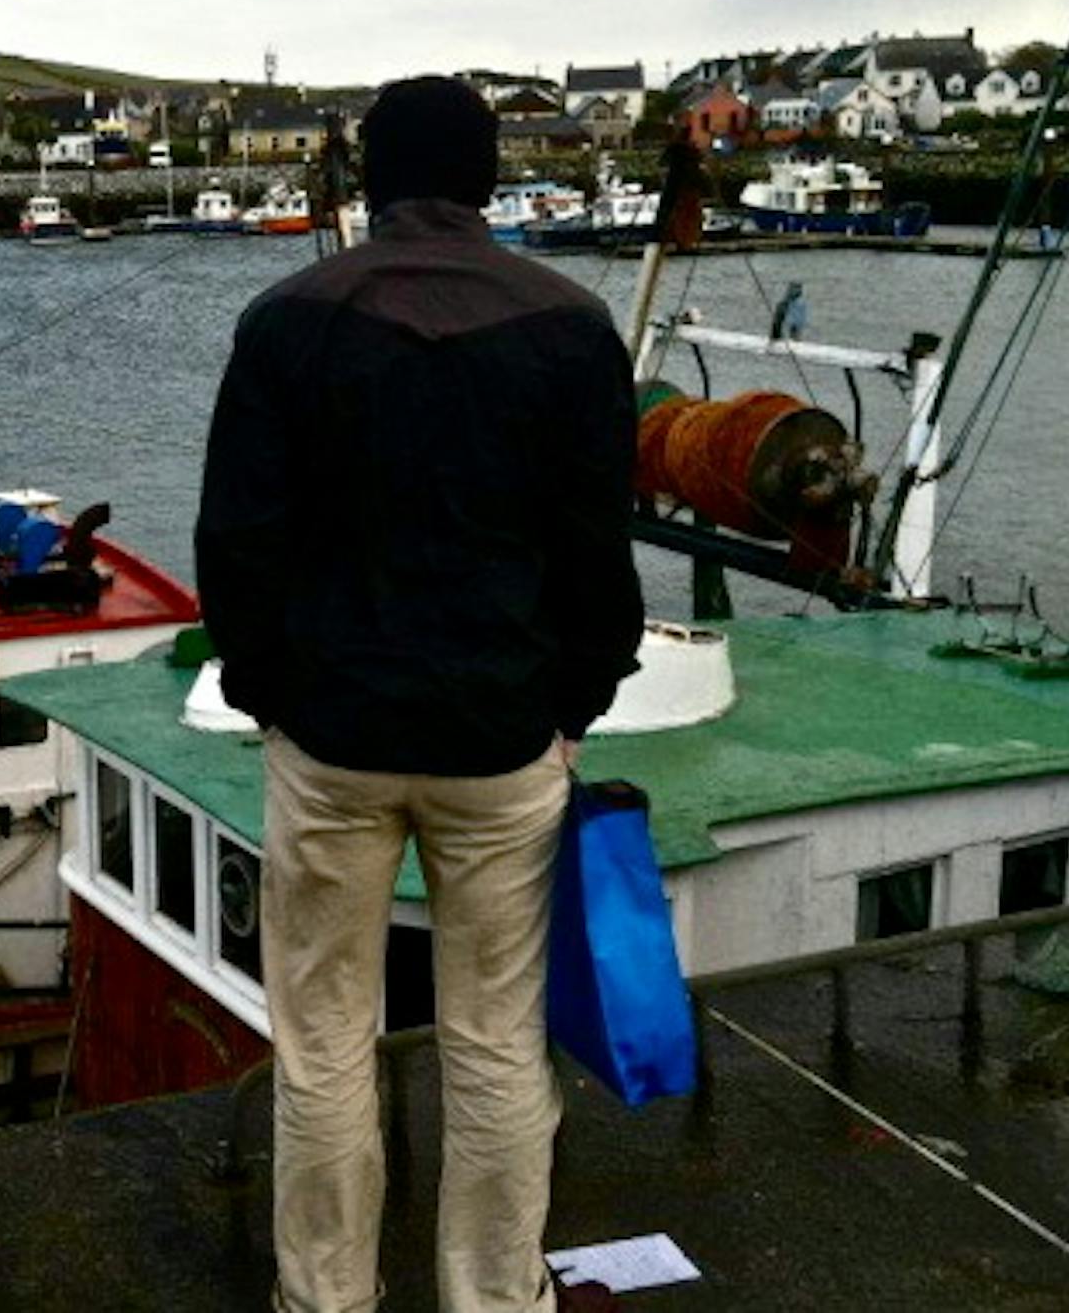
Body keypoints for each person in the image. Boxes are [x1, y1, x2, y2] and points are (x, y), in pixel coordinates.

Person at [196, 75, 645, 1313]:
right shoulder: (572, 325)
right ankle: (495, 1299)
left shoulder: (288, 320)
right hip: (502, 738)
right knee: (497, 1040)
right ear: (489, 178)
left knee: (323, 1040)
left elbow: (237, 540)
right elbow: (597, 551)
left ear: (374, 177)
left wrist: (270, 695)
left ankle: (326, 1298)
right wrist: (573, 705)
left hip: (332, 736)